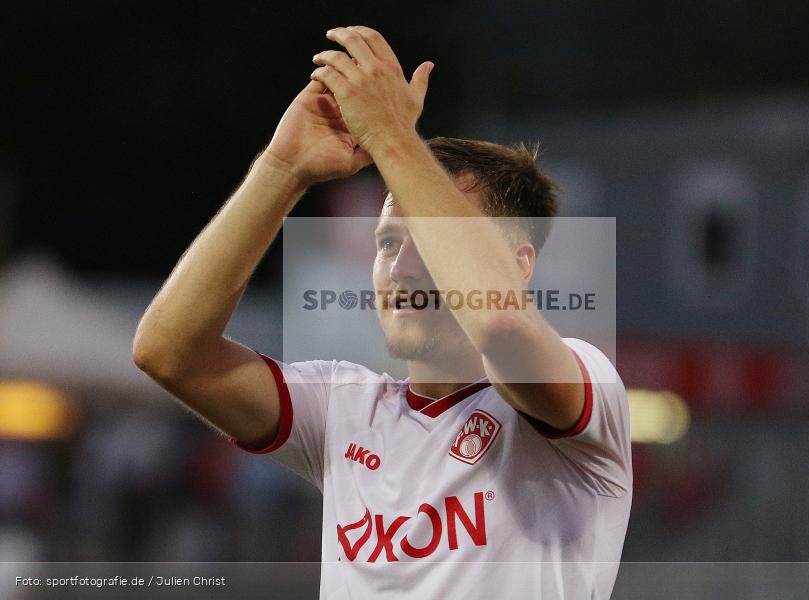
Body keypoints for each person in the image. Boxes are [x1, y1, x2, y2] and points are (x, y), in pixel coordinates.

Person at [133, 25, 631, 599]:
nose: (402, 268)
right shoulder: (346, 410)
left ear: (519, 264)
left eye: (432, 238)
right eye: (389, 242)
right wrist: (282, 168)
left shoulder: (584, 382)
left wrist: (392, 136)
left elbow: (499, 323)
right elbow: (169, 352)